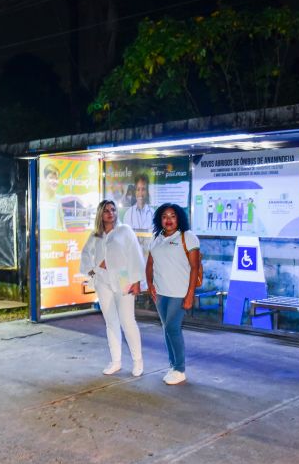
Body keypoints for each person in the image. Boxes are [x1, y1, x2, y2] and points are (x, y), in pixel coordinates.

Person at [80, 200, 146, 377]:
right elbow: (85, 254)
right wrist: (93, 270)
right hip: (103, 280)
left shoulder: (125, 231)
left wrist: (137, 281)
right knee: (111, 322)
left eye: (113, 209)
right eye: (106, 210)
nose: (110, 213)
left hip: (124, 277)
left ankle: (138, 360)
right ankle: (116, 361)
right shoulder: (96, 236)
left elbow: (135, 255)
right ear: (100, 214)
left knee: (127, 321)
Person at [146, 203, 200, 385]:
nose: (168, 220)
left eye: (173, 216)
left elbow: (194, 268)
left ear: (179, 219)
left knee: (172, 328)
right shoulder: (157, 238)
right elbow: (150, 264)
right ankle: (173, 365)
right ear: (159, 220)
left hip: (179, 292)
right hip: (161, 293)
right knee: (166, 328)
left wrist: (190, 294)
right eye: (164, 216)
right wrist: (150, 284)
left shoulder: (188, 237)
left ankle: (180, 369)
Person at [40, 163, 65, 231]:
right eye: (51, 178)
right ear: (44, 179)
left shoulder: (58, 201)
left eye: (56, 178)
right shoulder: (39, 200)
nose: (54, 181)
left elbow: (61, 227)